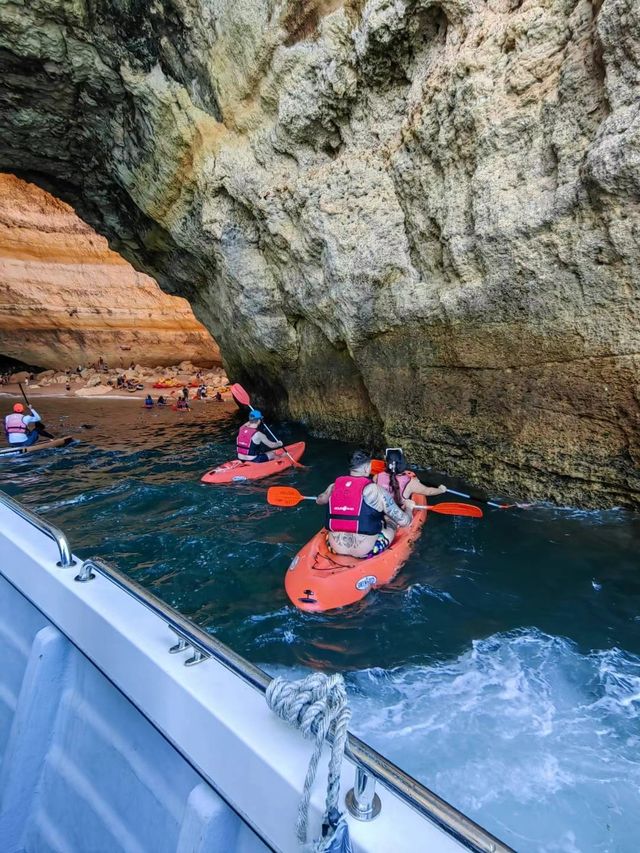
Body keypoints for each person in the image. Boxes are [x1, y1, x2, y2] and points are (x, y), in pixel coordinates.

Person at [315, 450, 414, 559]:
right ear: (368, 468)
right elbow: (404, 521)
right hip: (367, 551)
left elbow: (319, 501)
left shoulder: (334, 486)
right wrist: (409, 508)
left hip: (334, 548)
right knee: (391, 521)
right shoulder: (375, 490)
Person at [374, 448, 446, 509]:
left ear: (386, 463)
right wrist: (441, 490)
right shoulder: (410, 482)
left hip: (380, 511)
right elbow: (428, 491)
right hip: (400, 516)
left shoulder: (376, 477)